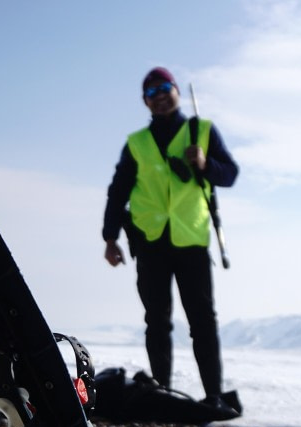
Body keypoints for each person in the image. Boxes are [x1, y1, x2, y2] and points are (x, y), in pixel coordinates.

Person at [102, 67, 238, 409]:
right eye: (152, 92)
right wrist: (110, 237)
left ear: (176, 91)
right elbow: (118, 192)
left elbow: (230, 174)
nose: (160, 96)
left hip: (191, 240)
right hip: (150, 243)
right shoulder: (137, 143)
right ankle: (160, 393)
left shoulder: (201, 131)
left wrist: (205, 164)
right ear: (145, 102)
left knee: (202, 322)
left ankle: (214, 396)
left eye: (165, 88)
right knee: (157, 322)